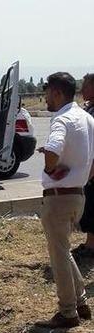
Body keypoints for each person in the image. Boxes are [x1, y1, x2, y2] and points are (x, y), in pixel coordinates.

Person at [33, 72, 94, 329]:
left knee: (58, 255)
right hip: (78, 194)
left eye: (47, 93)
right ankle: (80, 302)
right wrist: (82, 176)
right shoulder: (87, 118)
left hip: (59, 198)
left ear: (57, 93)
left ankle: (67, 312)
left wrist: (50, 168)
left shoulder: (61, 119)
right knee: (63, 250)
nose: (45, 98)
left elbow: (53, 150)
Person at [73, 72, 94, 259]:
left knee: (92, 206)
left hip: (92, 169)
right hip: (87, 167)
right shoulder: (89, 108)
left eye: (86, 86)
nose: (82, 89)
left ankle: (91, 246)